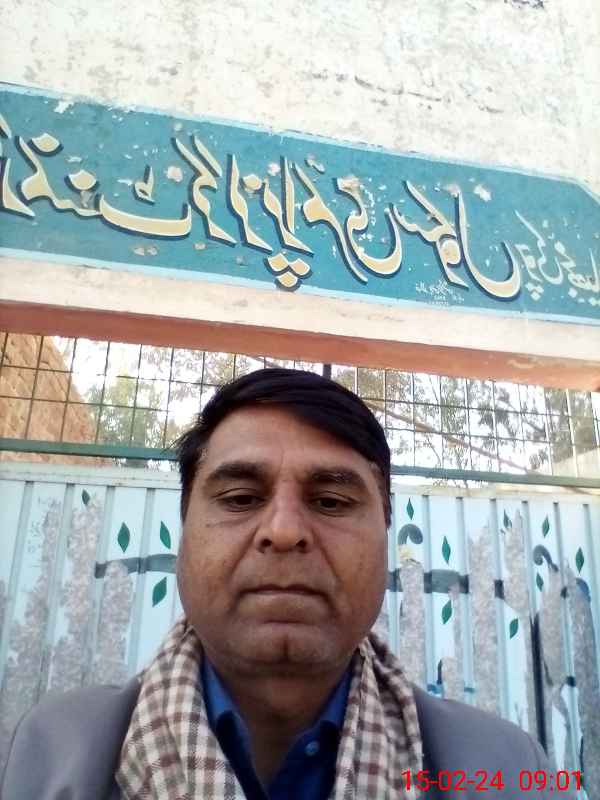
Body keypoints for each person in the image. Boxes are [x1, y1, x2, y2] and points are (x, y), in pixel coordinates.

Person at [1, 368, 569, 800]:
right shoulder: (38, 758)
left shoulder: (510, 770)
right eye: (240, 498)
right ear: (184, 534)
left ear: (386, 538)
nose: (283, 530)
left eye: (331, 501)